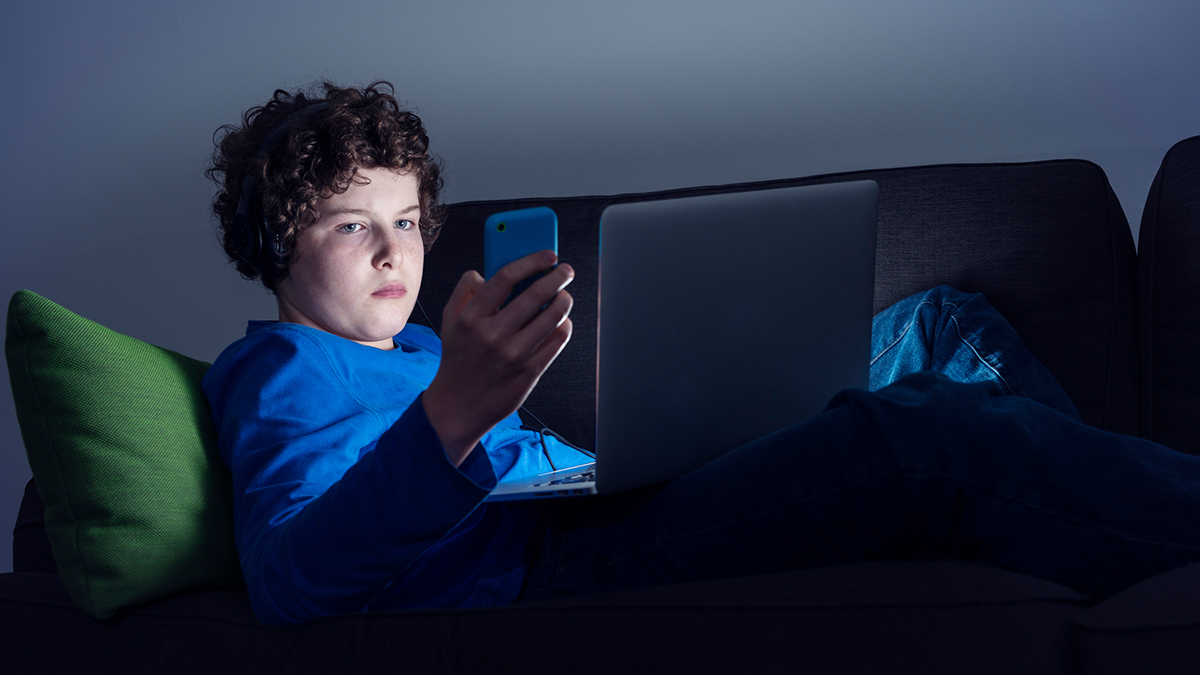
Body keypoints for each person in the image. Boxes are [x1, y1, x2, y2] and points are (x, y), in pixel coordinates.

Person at [203, 81, 1200, 626]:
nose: (394, 250)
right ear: (275, 243)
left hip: (593, 497)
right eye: (348, 225)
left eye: (408, 220)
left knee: (940, 324)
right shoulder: (279, 372)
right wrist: (452, 415)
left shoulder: (421, 345)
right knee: (910, 437)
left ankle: (1098, 542)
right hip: (545, 572)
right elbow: (295, 583)